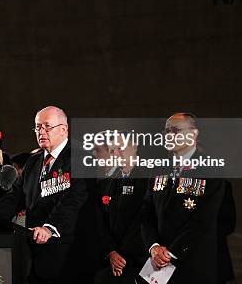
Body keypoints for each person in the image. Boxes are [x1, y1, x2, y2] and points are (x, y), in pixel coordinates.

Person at [0, 106, 88, 284]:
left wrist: (49, 227)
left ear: (63, 129)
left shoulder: (80, 157)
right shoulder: (33, 161)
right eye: (38, 127)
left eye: (47, 127)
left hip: (68, 255)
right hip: (34, 254)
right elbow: (17, 196)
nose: (41, 132)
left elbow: (73, 199)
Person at [141, 113, 226, 284]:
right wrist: (154, 247)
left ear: (193, 134)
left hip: (192, 267)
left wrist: (169, 254)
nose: (168, 136)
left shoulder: (210, 170)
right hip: (156, 265)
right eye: (166, 131)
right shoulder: (158, 168)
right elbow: (146, 212)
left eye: (175, 130)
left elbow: (202, 220)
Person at [93, 135, 148, 283]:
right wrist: (111, 252)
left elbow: (149, 221)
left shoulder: (152, 179)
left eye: (120, 148)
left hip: (142, 262)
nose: (116, 154)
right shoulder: (105, 185)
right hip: (112, 263)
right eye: (112, 151)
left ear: (134, 147)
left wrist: (124, 256)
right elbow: (101, 224)